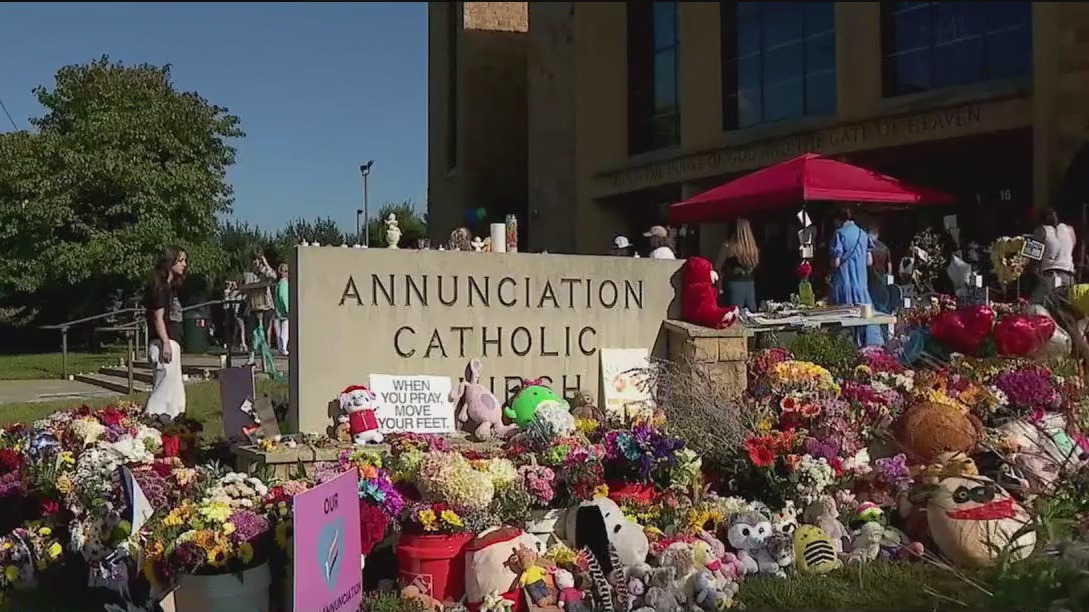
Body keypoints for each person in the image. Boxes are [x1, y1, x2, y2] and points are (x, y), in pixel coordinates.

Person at [144, 247, 188, 418]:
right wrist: (166, 343)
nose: (184, 264)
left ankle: (174, 419)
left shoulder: (169, 288)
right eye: (181, 260)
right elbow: (158, 317)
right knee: (162, 391)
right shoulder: (161, 288)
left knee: (174, 391)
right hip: (163, 342)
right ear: (170, 262)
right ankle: (152, 419)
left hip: (170, 341)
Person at [829, 208, 882, 346]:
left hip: (844, 284)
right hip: (861, 285)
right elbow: (869, 261)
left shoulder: (839, 234)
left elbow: (836, 262)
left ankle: (847, 349)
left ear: (838, 220)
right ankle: (866, 348)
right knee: (864, 319)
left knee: (844, 323)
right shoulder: (863, 234)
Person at [714, 218, 760, 311]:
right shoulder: (753, 248)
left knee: (735, 313)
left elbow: (718, 267)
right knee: (751, 313)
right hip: (750, 283)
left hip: (733, 283)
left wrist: (719, 287)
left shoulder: (729, 246)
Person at [1032, 208, 1077, 303]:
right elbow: (1073, 246)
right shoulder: (1070, 230)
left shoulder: (1041, 231)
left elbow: (1033, 256)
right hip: (1068, 275)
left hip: (1049, 276)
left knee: (1038, 304)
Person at [242, 251, 278, 364]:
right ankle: (251, 358)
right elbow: (244, 288)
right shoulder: (248, 275)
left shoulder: (264, 272)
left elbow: (274, 276)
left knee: (264, 332)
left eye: (257, 260)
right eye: (254, 260)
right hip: (253, 307)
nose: (255, 263)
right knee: (253, 332)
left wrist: (265, 264)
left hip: (266, 306)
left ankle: (266, 360)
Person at [867, 223, 893, 313]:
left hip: (872, 275)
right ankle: (883, 310)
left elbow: (869, 262)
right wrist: (889, 275)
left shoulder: (869, 248)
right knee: (882, 294)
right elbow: (889, 263)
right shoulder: (884, 247)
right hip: (882, 275)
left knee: (873, 296)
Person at [222, 280, 247, 353]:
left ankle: (233, 342)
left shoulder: (237, 293)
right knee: (242, 328)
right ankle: (243, 343)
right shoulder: (237, 293)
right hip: (238, 313)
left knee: (236, 329)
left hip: (238, 312)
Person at [272, 263, 290, 355]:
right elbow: (283, 297)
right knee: (285, 329)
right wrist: (287, 308)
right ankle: (283, 348)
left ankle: (281, 347)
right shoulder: (284, 283)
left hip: (278, 309)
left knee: (280, 330)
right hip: (283, 310)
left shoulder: (279, 283)